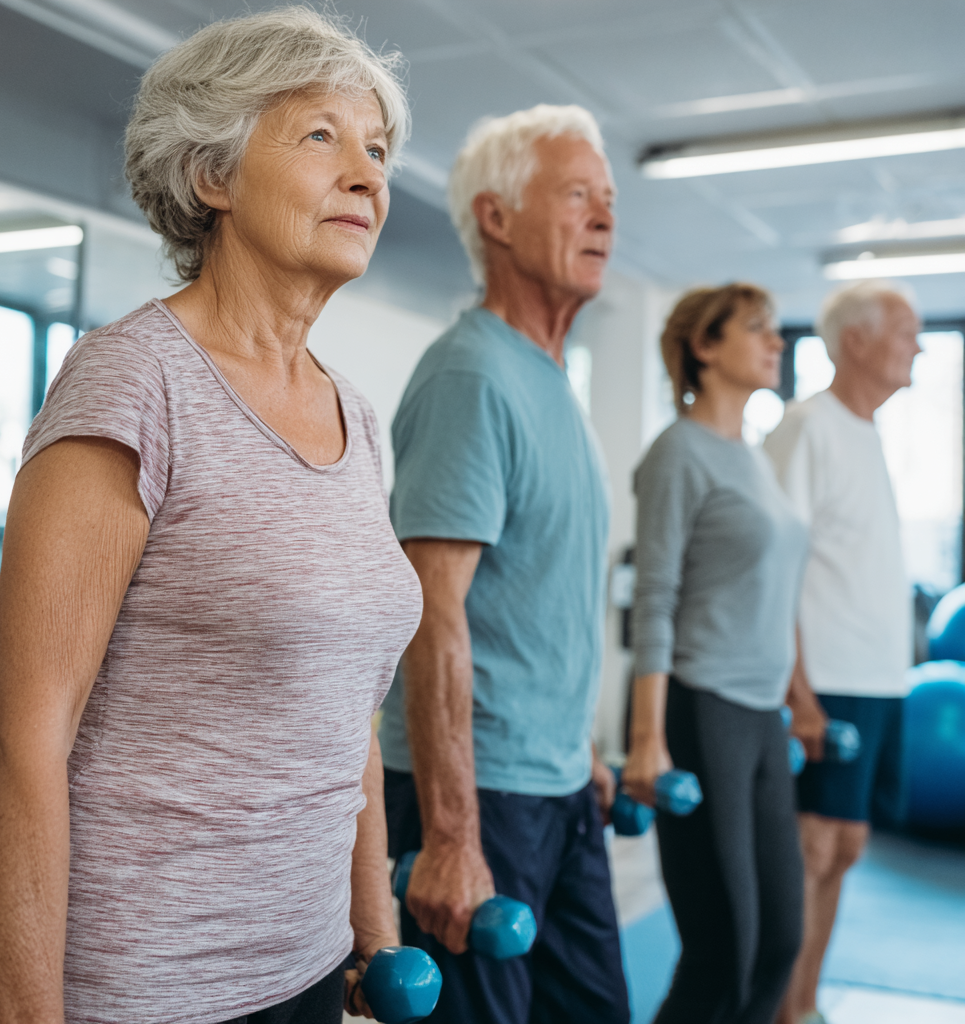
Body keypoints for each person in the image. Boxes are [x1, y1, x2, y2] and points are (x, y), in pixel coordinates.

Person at [0, 10, 422, 1023]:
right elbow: (25, 735)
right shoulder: (136, 383)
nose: (367, 174)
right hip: (147, 985)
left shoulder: (356, 413)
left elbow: (345, 701)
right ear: (210, 175)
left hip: (305, 964)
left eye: (378, 149)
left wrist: (370, 927)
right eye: (321, 135)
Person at [377, 105, 628, 1023]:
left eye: (608, 200)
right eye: (576, 196)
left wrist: (584, 747)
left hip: (556, 783)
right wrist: (449, 833)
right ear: (497, 217)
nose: (604, 217)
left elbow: (536, 594)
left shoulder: (551, 381)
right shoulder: (470, 375)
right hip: (477, 793)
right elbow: (430, 609)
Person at [625, 284, 808, 1024]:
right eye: (758, 330)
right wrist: (647, 742)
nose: (777, 343)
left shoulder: (754, 456)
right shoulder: (678, 452)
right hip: (704, 710)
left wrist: (800, 699)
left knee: (778, 943)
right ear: (706, 346)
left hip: (763, 716)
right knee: (723, 948)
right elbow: (654, 598)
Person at [765, 281, 920, 1024]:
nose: (917, 345)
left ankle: (805, 1003)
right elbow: (778, 567)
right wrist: (798, 694)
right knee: (812, 850)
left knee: (847, 845)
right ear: (855, 340)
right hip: (825, 683)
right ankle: (780, 1009)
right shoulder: (807, 426)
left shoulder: (866, 431)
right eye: (905, 331)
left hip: (878, 681)